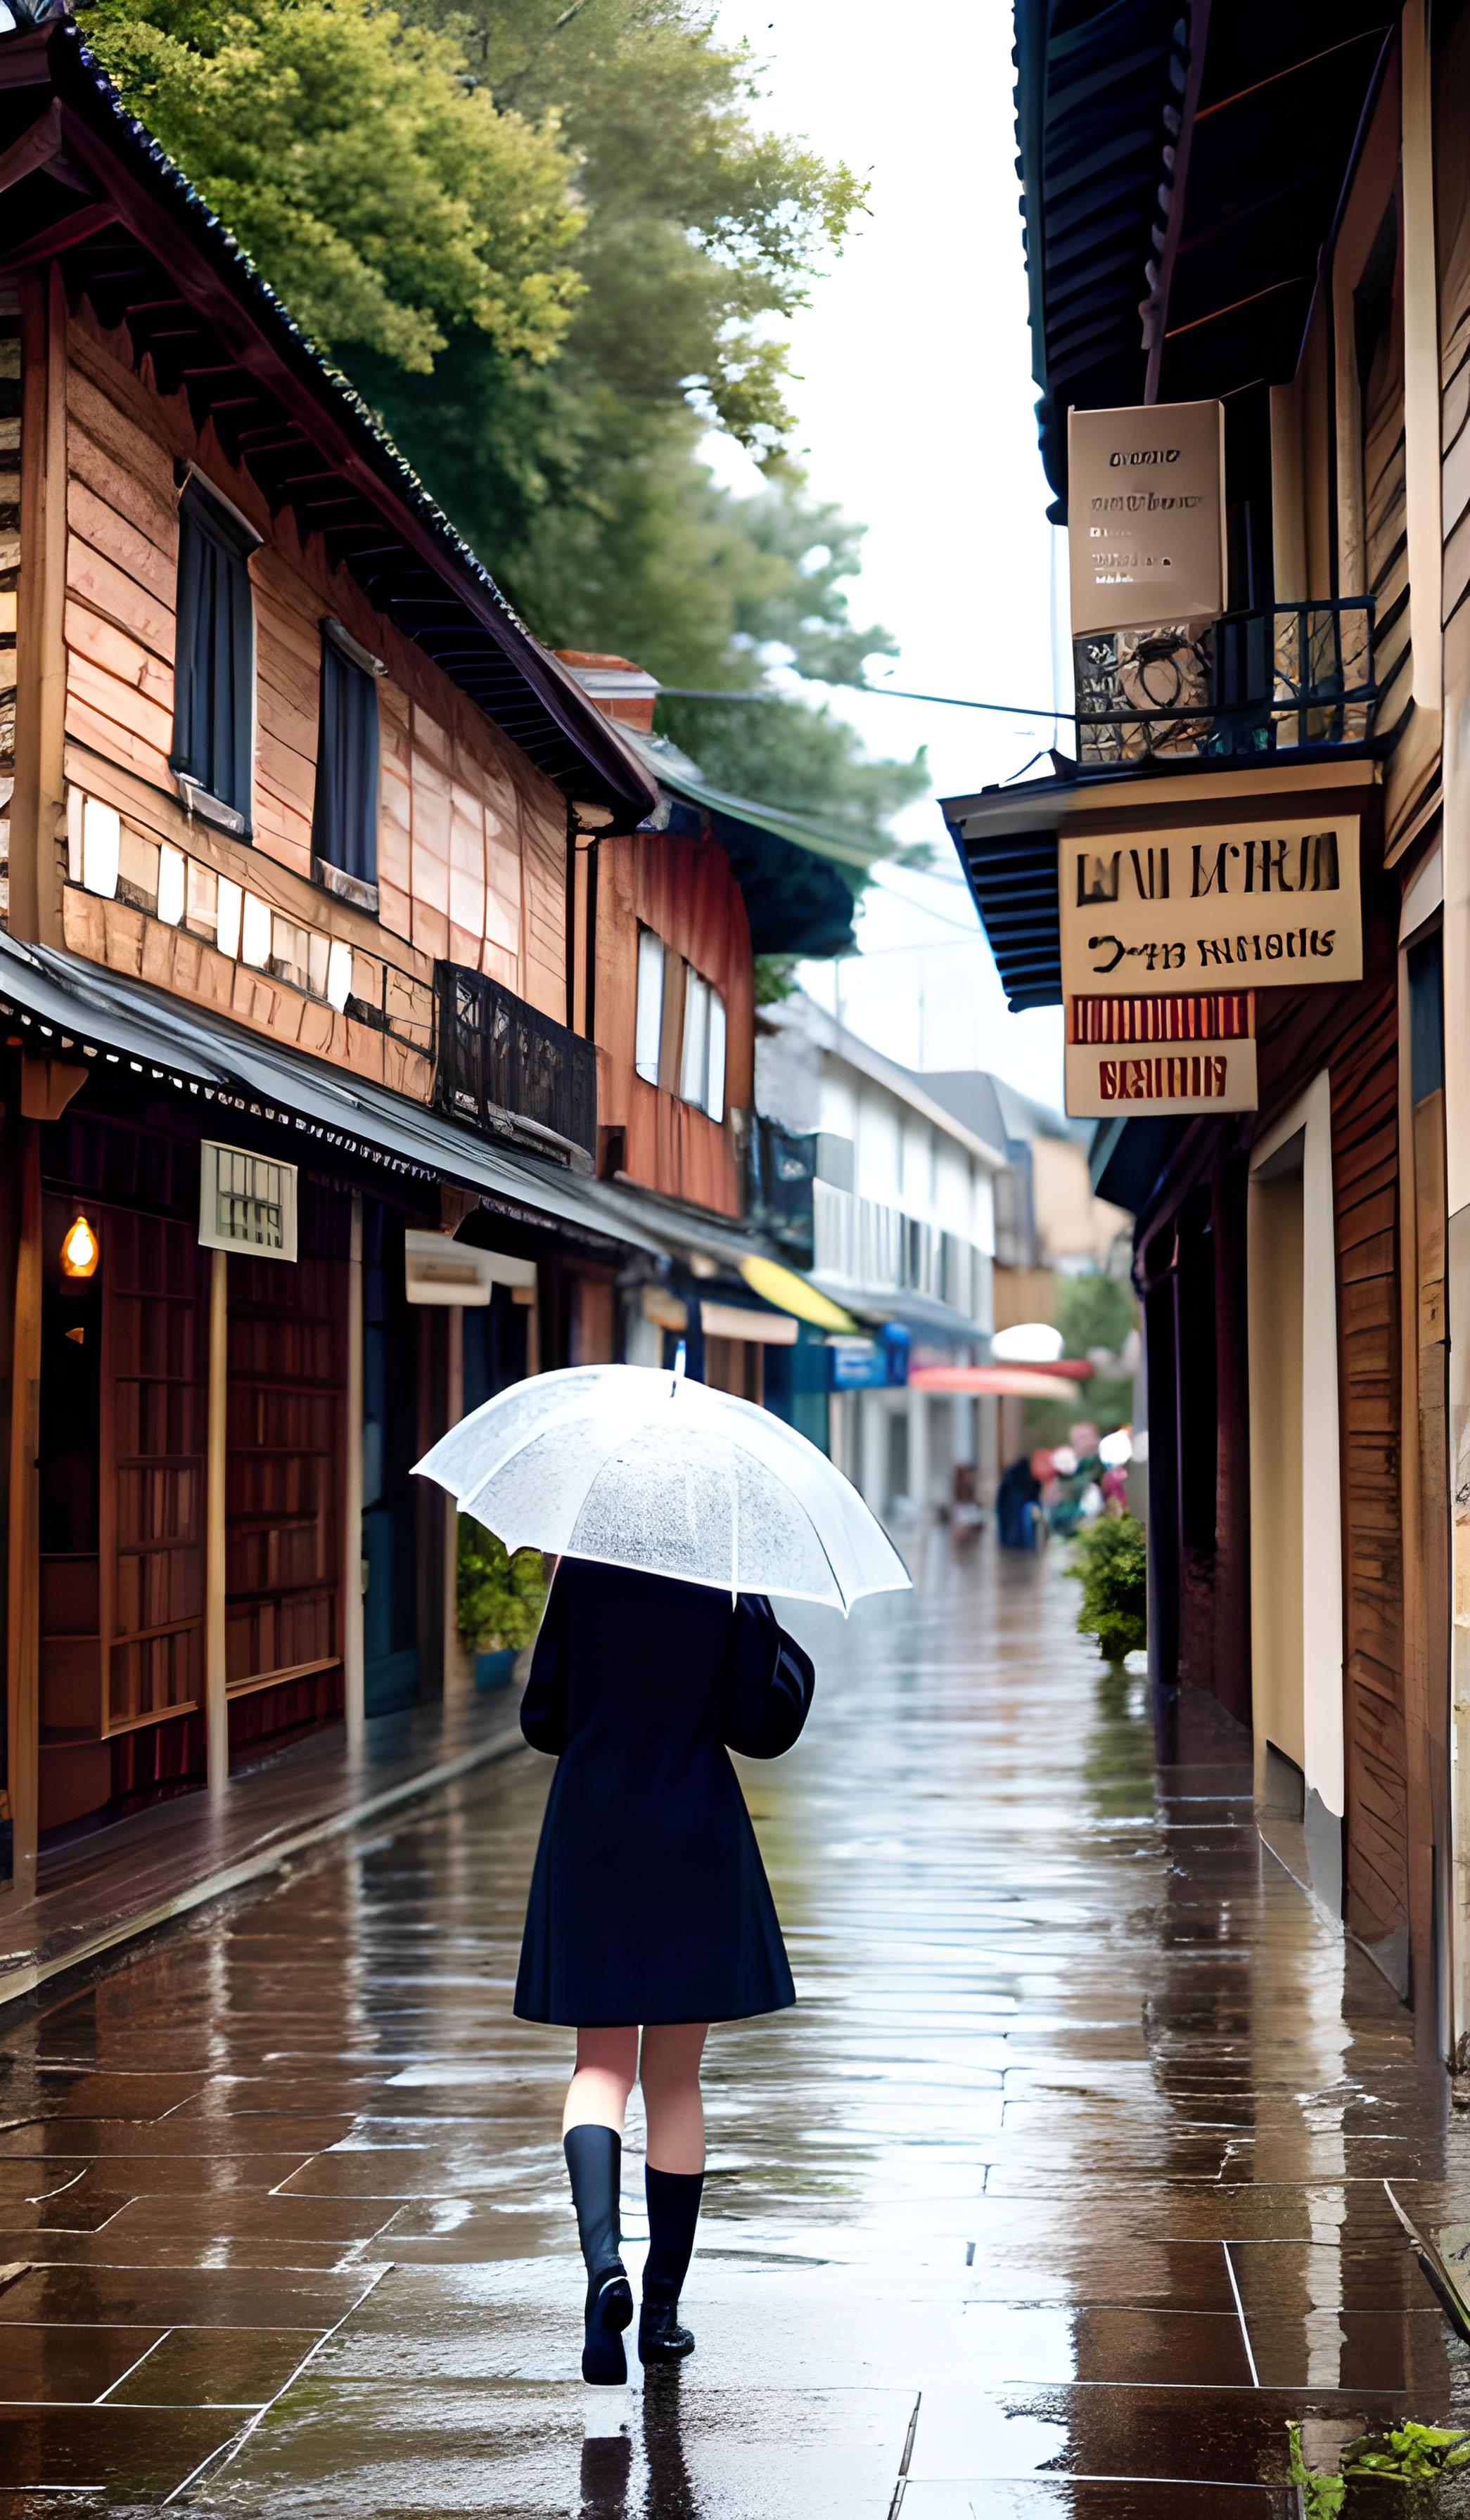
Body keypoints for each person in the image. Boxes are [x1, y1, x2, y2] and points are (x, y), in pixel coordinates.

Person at [515, 1555, 816, 2384]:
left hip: (593, 1825)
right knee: (675, 2080)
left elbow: (541, 1717)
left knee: (599, 2065)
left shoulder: (580, 1570)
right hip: (693, 1829)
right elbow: (762, 1725)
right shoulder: (726, 1574)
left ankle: (602, 2265)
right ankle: (659, 2312)